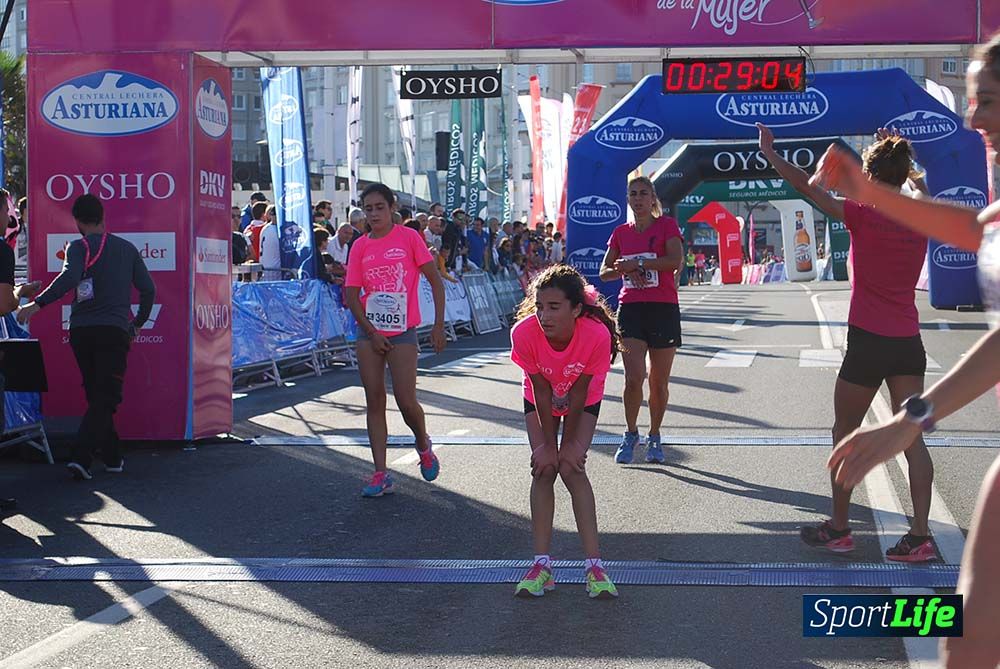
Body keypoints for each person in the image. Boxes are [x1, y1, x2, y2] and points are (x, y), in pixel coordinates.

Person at [822, 33, 1000, 667]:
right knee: (966, 636)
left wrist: (912, 419)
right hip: (906, 345)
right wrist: (871, 191)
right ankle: (913, 539)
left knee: (970, 634)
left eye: (988, 100)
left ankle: (858, 537)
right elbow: (966, 227)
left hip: (877, 338)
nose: (974, 117)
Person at [758, 120, 938, 561]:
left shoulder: (862, 212)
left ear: (872, 176)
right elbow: (921, 186)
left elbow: (808, 186)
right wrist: (901, 163)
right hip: (907, 344)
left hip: (868, 343)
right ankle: (920, 536)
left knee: (845, 432)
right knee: (912, 438)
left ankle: (839, 529)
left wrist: (771, 154)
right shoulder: (921, 213)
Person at [17, 194, 155, 481]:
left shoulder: (77, 247)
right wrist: (138, 323)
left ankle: (113, 456)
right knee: (106, 396)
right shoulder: (127, 249)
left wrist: (37, 304)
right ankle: (81, 457)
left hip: (81, 332)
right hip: (114, 331)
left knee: (97, 395)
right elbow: (148, 289)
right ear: (103, 217)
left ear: (77, 221)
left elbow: (69, 278)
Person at [510, 264, 620, 599]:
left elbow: (579, 393)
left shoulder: (596, 335)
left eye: (554, 307)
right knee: (544, 468)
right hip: (541, 396)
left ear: (576, 309)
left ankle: (594, 567)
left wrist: (569, 445)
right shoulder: (524, 333)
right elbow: (541, 391)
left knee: (571, 466)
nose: (544, 315)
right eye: (540, 306)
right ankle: (542, 567)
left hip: (582, 398)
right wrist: (546, 447)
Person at [344, 183, 447, 497]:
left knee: (405, 400)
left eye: (380, 207)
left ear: (392, 209)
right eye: (369, 208)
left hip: (403, 331)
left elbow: (434, 280)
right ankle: (379, 473)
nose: (374, 214)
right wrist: (372, 332)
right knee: (374, 400)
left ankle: (422, 444)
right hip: (369, 331)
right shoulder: (360, 246)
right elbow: (351, 294)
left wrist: (439, 325)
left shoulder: (409, 238)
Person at [599, 175, 684, 464]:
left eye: (643, 193)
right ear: (628, 199)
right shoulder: (621, 233)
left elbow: (675, 261)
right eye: (633, 193)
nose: (638, 198)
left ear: (652, 198)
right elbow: (604, 272)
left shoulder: (667, 226)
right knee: (633, 378)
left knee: (658, 383)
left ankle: (655, 435)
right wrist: (624, 270)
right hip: (632, 308)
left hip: (663, 308)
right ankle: (631, 432)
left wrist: (640, 263)